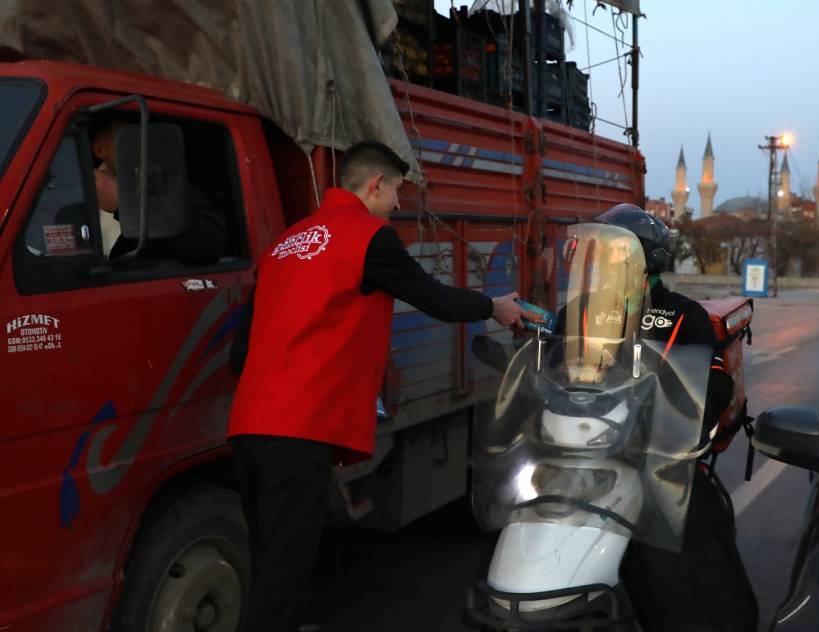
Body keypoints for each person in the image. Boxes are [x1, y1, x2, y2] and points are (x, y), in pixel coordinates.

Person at [226, 140, 530, 632]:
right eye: (397, 193)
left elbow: (239, 354)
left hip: (247, 430)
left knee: (270, 566)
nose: (398, 205)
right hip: (299, 431)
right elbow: (432, 298)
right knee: (282, 585)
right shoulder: (368, 238)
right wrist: (493, 306)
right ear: (375, 185)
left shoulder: (285, 243)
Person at [591, 204, 759, 632]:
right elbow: (556, 364)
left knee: (691, 578)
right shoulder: (583, 309)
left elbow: (714, 384)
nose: (601, 263)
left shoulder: (684, 316)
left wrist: (679, 424)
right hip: (589, 458)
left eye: (612, 254)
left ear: (642, 261)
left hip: (660, 461)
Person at [90, 119, 228, 264]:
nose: (144, 145)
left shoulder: (169, 185)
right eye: (131, 138)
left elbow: (210, 243)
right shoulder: (81, 193)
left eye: (147, 136)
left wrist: (125, 203)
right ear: (99, 150)